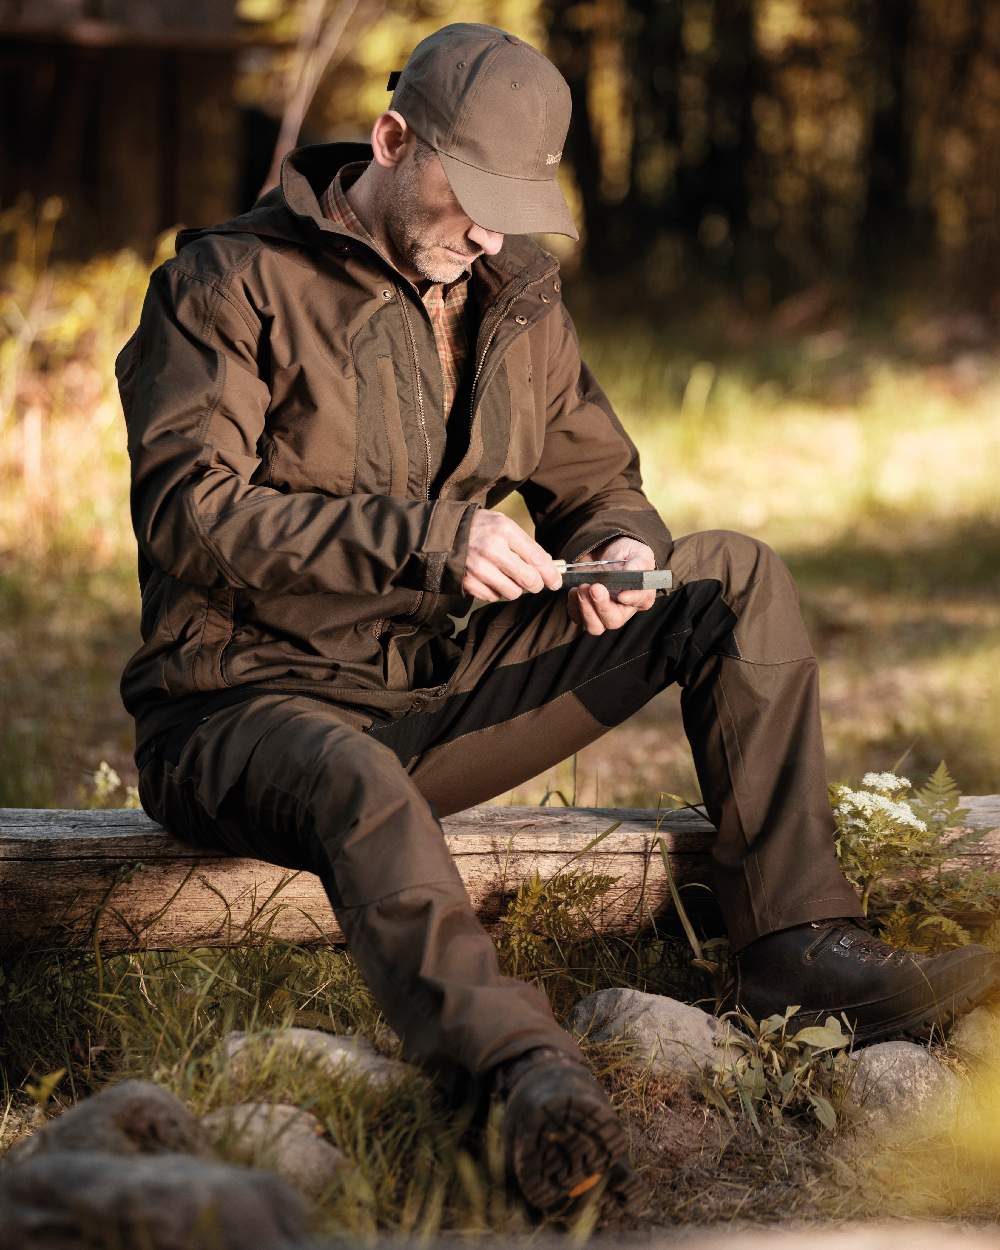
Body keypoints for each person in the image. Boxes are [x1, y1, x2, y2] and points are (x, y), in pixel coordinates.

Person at [116, 22, 998, 1215]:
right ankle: (521, 1074)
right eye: (471, 199)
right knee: (351, 773)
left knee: (727, 577)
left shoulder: (515, 292)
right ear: (392, 141)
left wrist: (616, 542)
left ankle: (798, 948)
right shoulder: (226, 284)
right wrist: (432, 540)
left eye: (513, 207)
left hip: (428, 696)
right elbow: (190, 510)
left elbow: (595, 476)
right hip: (236, 710)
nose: (488, 232)